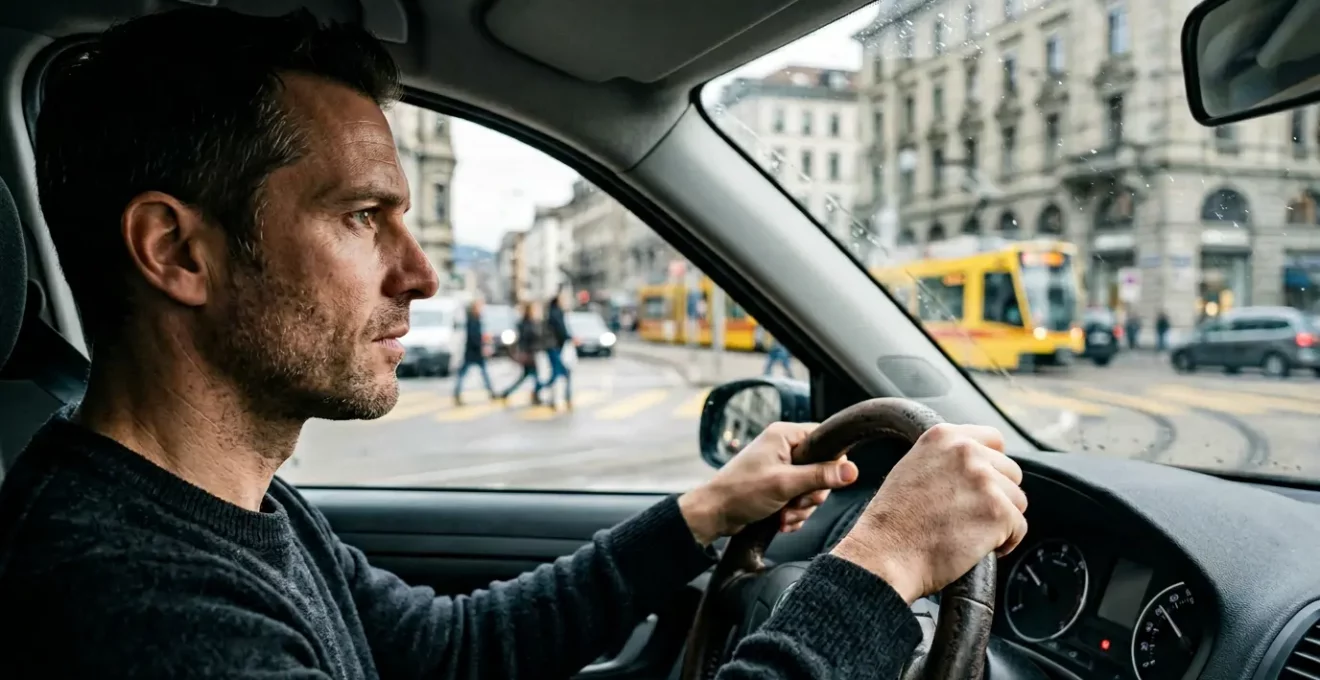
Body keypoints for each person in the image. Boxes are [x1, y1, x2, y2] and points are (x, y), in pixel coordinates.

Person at [0, 7, 1029, 678]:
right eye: (363, 216)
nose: (425, 273)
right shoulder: (135, 608)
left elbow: (451, 651)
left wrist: (707, 509)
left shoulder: (224, 503)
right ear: (178, 250)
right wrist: (882, 567)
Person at [499, 301, 546, 405]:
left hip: (531, 354)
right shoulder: (526, 324)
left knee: (527, 377)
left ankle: (508, 392)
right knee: (535, 377)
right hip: (529, 355)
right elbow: (526, 339)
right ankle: (535, 395)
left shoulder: (530, 322)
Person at [454, 297, 496, 406]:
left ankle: (491, 392)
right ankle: (457, 393)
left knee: (482, 373)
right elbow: (473, 336)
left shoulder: (477, 318)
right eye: (479, 306)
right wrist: (482, 345)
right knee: (465, 374)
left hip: (474, 351)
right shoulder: (472, 319)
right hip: (472, 352)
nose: (481, 309)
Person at [541, 290, 574, 409]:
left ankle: (547, 394)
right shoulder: (556, 313)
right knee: (562, 373)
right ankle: (564, 398)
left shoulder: (553, 312)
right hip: (554, 347)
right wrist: (571, 338)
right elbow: (562, 331)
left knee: (556, 373)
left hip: (554, 347)